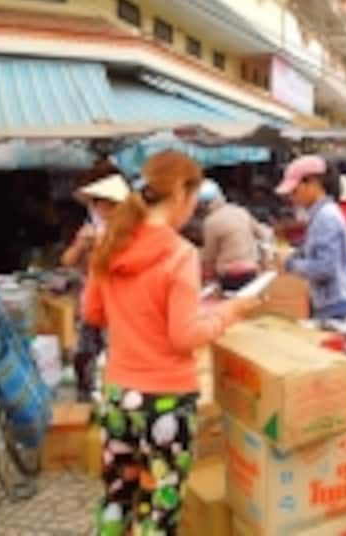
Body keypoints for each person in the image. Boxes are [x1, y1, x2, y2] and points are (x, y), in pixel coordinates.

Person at [83, 151, 259, 536]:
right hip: (164, 400)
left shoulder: (110, 243)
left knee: (117, 497)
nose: (191, 212)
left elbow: (93, 312)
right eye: (193, 202)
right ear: (181, 193)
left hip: (117, 393)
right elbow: (185, 337)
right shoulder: (179, 255)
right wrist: (230, 312)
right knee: (158, 507)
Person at [62, 171, 130, 402]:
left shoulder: (129, 232)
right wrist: (82, 245)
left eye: (101, 202)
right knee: (85, 354)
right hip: (92, 301)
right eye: (95, 202)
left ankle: (113, 397)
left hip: (117, 304)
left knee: (113, 353)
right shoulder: (89, 229)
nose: (97, 207)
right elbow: (67, 260)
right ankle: (89, 396)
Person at [275, 156, 346, 322]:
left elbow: (325, 267)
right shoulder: (322, 214)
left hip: (338, 303)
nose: (292, 198)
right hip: (338, 300)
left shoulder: (325, 217)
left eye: (295, 191)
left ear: (314, 183)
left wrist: (290, 265)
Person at [199, 179, 274, 292]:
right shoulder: (240, 211)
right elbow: (265, 234)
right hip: (252, 270)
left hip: (229, 276)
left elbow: (209, 257)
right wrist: (266, 258)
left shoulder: (210, 222)